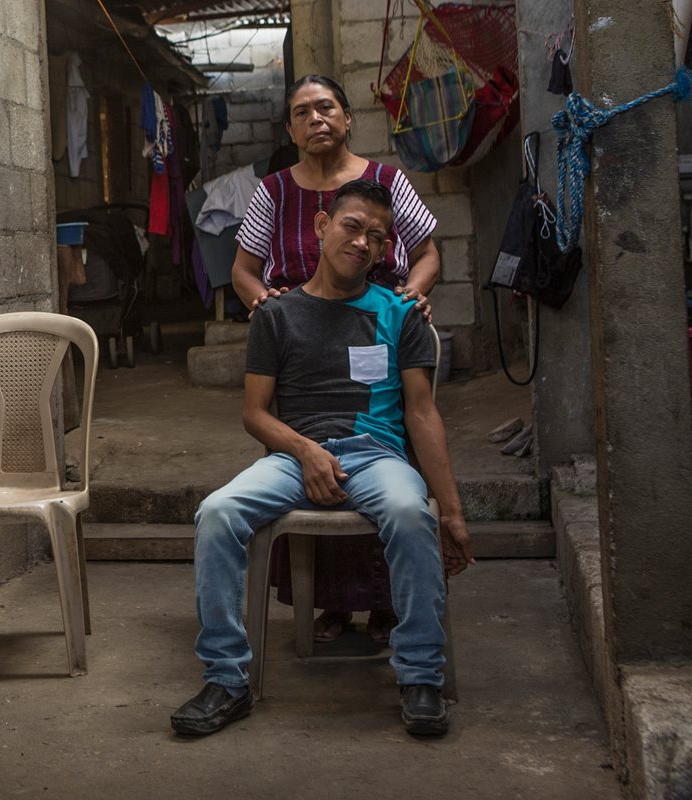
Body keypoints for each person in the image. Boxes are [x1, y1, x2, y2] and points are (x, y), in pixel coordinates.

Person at [171, 180, 473, 738]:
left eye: (376, 237)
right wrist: (305, 450)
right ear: (321, 226)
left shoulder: (400, 313)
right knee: (217, 513)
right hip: (294, 454)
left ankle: (420, 676)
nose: (361, 242)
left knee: (412, 514)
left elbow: (422, 413)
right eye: (351, 226)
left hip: (376, 453)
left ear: (385, 252)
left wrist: (451, 511)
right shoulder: (276, 314)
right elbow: (255, 414)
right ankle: (226, 679)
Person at [232, 74, 442, 645]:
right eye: (302, 112)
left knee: (383, 461)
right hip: (300, 349)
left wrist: (411, 294)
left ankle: (388, 605)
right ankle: (330, 604)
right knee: (309, 465)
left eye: (326, 108)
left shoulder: (385, 182)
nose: (315, 119)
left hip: (376, 331)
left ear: (348, 118)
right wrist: (269, 310)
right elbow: (245, 271)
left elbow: (426, 254)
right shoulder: (274, 191)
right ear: (290, 129)